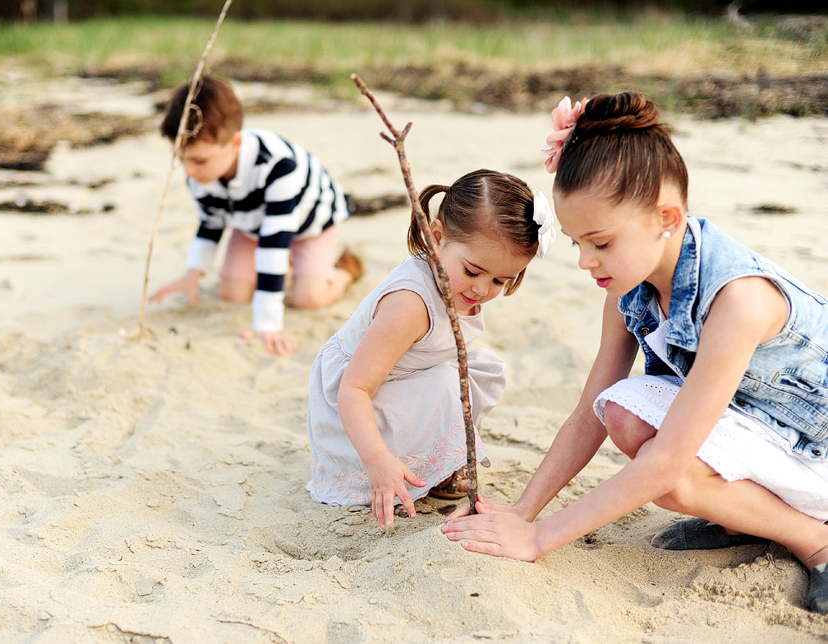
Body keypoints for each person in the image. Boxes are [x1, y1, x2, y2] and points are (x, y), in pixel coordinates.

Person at [442, 92, 828, 615]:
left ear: (666, 217)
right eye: (577, 242)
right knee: (621, 411)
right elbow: (589, 413)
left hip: (815, 452)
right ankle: (739, 516)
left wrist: (539, 540)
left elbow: (665, 464)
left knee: (670, 471)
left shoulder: (738, 300)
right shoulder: (628, 283)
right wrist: (522, 512)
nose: (584, 260)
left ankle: (814, 541)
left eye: (600, 242)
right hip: (765, 433)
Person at [307, 169, 556, 528]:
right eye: (472, 271)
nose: (482, 290)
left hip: (402, 385)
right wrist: (378, 460)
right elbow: (354, 389)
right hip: (358, 415)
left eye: (500, 280)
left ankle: (436, 465)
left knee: (478, 368)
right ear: (436, 238)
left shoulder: (463, 288)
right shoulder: (409, 304)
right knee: (446, 381)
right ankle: (401, 464)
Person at [150, 75, 362, 356]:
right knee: (233, 294)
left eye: (198, 160)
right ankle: (287, 269)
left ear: (236, 143)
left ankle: (347, 269)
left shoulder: (278, 167)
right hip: (251, 224)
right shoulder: (200, 172)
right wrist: (193, 272)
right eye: (181, 158)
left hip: (310, 224)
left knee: (308, 298)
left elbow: (274, 245)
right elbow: (211, 222)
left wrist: (267, 324)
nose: (187, 170)